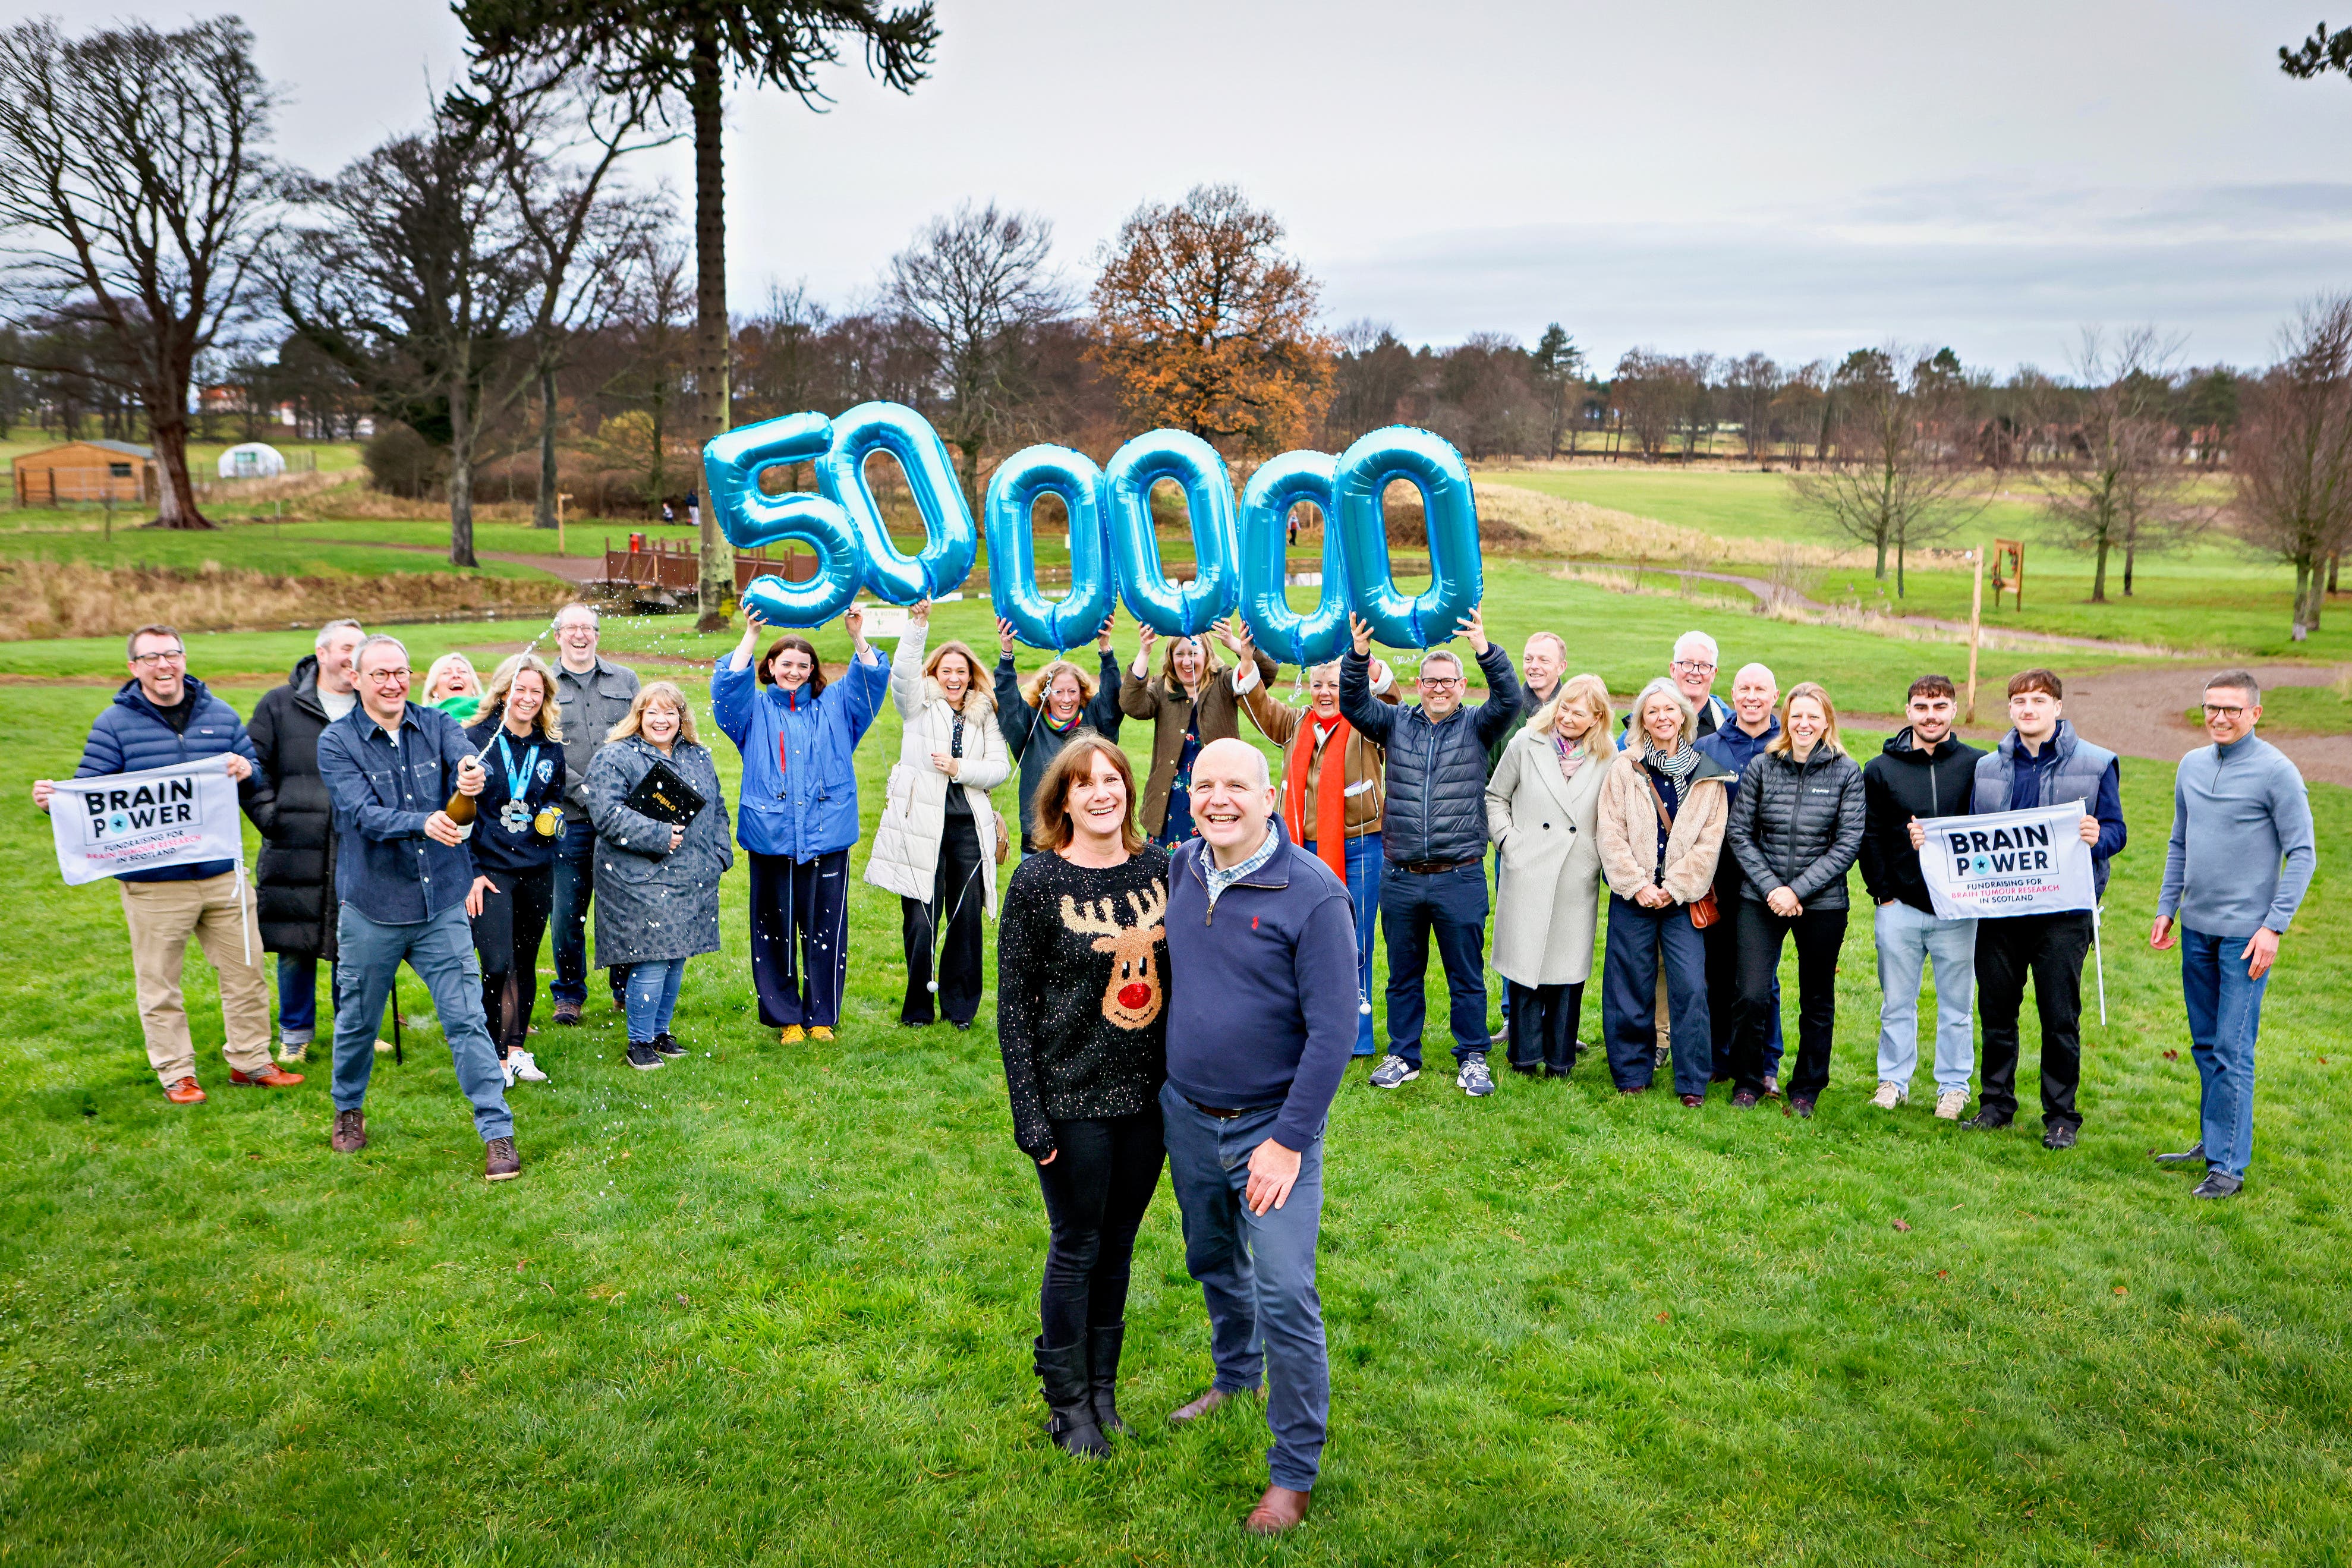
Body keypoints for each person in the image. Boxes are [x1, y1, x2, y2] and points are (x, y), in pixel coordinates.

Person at [1159, 738, 1357, 1536]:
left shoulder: (1311, 894)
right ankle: (1235, 1375)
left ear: (1269, 795)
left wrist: (1287, 1141)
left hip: (1271, 1132)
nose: (1218, 799)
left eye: (1235, 785)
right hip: (1186, 1114)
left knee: (1284, 1288)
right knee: (1211, 1257)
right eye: (1204, 785)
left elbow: (1334, 1030)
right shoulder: (1181, 867)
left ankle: (1293, 1474)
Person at [33, 624, 298, 1105]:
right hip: (154, 882)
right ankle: (177, 1073)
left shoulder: (218, 714)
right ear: (134, 668)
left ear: (184, 658)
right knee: (160, 984)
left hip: (221, 873)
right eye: (151, 658)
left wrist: (247, 770)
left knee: (247, 971)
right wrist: (55, 801)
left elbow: (254, 774)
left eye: (172, 654)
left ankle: (251, 1060)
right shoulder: (113, 724)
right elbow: (90, 792)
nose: (164, 665)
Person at [996, 735, 1171, 1458]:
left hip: (1150, 1101)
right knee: (1078, 1245)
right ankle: (1066, 1405)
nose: (1104, 793)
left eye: (1114, 780)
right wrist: (1030, 1115)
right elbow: (1013, 1006)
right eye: (1086, 783)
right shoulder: (1038, 882)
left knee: (1121, 1245)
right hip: (1072, 1097)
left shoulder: (1161, 869)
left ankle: (1103, 1391)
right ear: (1062, 799)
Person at [316, 634, 518, 1180]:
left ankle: (498, 1133)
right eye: (380, 673)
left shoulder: (437, 725)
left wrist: (472, 777)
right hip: (372, 907)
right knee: (358, 1021)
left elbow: (466, 763)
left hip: (441, 905)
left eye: (401, 672)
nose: (393, 683)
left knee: (466, 1019)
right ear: (356, 679)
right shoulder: (336, 742)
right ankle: (348, 1108)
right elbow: (360, 814)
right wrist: (420, 823)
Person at [1341, 608, 1522, 1096]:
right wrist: (1358, 657)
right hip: (1400, 875)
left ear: (1462, 686)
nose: (1438, 688)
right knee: (1402, 974)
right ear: (1418, 685)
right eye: (1430, 681)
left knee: (1465, 976)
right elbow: (1353, 704)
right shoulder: (1395, 723)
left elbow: (1510, 697)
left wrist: (1485, 648)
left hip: (1458, 874)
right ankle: (1403, 1054)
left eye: (1447, 681)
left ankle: (1472, 1057)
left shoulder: (1478, 727)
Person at [2150, 670, 2316, 1199]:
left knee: (2232, 1048)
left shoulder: (2276, 772)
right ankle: (2212, 1141)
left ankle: (2228, 1167)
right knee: (2205, 1045)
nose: (2220, 717)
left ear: (2254, 713)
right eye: (2211, 708)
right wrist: (2166, 908)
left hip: (2246, 938)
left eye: (2232, 709)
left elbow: (2303, 853)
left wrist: (2273, 927)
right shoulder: (2191, 766)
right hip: (2196, 929)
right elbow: (2179, 841)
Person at [1964, 669, 2126, 1149]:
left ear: (2057, 706)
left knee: (2058, 1017)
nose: (2027, 709)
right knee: (1995, 1012)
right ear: (2010, 709)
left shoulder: (2096, 763)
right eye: (2018, 701)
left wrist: (2100, 838)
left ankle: (2060, 1117)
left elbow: (2117, 831)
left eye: (2038, 700)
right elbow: (1973, 833)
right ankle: (1995, 1104)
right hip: (2000, 913)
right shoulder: (1988, 768)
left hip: (2063, 914)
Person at [713, 604, 887, 1044]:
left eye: (803, 665)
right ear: (770, 668)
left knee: (826, 927)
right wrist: (751, 635)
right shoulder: (751, 712)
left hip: (828, 835)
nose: (794, 671)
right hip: (771, 836)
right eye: (786, 664)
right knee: (774, 929)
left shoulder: (835, 709)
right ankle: (786, 1015)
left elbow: (870, 684)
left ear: (812, 672)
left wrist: (856, 636)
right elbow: (726, 688)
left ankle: (822, 1016)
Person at [1229, 626, 1400, 1059]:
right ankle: (1299, 1028)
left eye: (1336, 684)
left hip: (1358, 848)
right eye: (1318, 684)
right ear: (1307, 688)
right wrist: (1247, 660)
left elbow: (1393, 700)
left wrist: (1366, 658)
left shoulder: (1367, 720)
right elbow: (1257, 705)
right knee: (1294, 940)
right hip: (1299, 853)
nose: (1326, 693)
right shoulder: (1296, 722)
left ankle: (1354, 1036)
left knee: (1353, 941)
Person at [865, 604, 1010, 1029]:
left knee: (965, 921)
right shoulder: (917, 705)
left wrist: (960, 769)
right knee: (920, 921)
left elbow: (999, 768)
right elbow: (903, 670)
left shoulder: (984, 714)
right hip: (920, 828)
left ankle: (960, 1010)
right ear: (934, 673)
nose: (953, 678)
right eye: (946, 670)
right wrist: (917, 625)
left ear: (971, 676)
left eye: (961, 672)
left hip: (969, 830)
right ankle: (916, 1010)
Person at [1724, 682, 1865, 1117]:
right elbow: (1739, 833)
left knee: (1816, 998)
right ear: (1785, 719)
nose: (1804, 724)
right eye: (1796, 715)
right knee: (1749, 994)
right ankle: (1748, 1081)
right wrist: (1772, 888)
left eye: (1813, 716)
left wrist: (1796, 890)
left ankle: (1806, 1087)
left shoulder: (1846, 772)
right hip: (1759, 898)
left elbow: (1847, 843)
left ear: (1826, 721)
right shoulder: (1763, 767)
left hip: (1821, 904)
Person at [1594, 679, 1732, 1100]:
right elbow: (1609, 831)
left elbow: (1710, 840)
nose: (1661, 718)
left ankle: (1691, 1081)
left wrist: (1673, 887)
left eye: (1669, 710)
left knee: (1690, 986)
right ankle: (1632, 1073)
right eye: (1652, 711)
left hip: (1680, 901)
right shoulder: (1624, 767)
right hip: (1632, 897)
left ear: (1683, 717)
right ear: (1641, 720)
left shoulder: (1706, 773)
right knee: (1629, 985)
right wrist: (1637, 885)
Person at [585, 682, 733, 1071]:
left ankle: (660, 1032)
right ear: (639, 716)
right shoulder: (615, 756)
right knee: (652, 957)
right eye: (652, 712)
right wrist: (658, 835)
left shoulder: (698, 756)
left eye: (670, 713)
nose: (662, 720)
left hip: (691, 875)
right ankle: (639, 1042)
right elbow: (606, 814)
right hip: (636, 876)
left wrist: (720, 854)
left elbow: (717, 807)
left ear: (682, 717)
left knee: (675, 957)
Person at [1862, 673, 1985, 1119]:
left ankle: (1953, 1087)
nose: (1929, 716)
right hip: (1899, 906)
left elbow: (1990, 829)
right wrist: (1883, 894)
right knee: (1897, 1001)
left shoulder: (1979, 764)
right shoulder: (1880, 768)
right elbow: (1869, 834)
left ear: (1953, 710)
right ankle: (1893, 1080)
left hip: (1958, 908)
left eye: (1938, 707)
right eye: (1920, 708)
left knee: (1957, 1004)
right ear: (1908, 712)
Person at [248, 618, 365, 1063]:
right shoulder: (278, 705)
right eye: (347, 647)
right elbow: (250, 766)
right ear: (322, 653)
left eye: (361, 647)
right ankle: (295, 1033)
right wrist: (271, 818)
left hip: (358, 842)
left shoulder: (371, 705)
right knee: (294, 942)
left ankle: (353, 1027)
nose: (354, 656)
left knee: (354, 940)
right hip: (295, 842)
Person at [1485, 673, 1613, 1076]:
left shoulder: (1608, 756)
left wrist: (1594, 856)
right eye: (1564, 708)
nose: (1568, 718)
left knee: (1566, 969)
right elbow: (1495, 796)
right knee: (1525, 964)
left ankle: (1560, 1059)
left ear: (1596, 718)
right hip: (1528, 867)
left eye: (1579, 712)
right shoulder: (1526, 742)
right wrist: (1509, 842)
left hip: (1576, 873)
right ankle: (1522, 1056)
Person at [462, 654, 567, 1088]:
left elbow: (557, 796)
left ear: (545, 700)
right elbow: (457, 811)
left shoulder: (549, 746)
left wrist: (553, 818)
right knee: (496, 964)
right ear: (504, 691)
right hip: (489, 871)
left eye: (536, 692)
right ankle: (493, 1054)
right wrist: (468, 870)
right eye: (519, 689)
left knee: (524, 961)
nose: (527, 698)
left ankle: (518, 1049)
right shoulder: (476, 740)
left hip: (536, 868)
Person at [1692, 662, 1787, 1096]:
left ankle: (1765, 1062)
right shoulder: (1709, 745)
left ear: (1775, 696)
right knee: (1717, 968)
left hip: (1769, 880)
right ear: (1733, 694)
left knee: (1760, 977)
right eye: (1744, 689)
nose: (1751, 697)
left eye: (1760, 690)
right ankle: (1718, 1058)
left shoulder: (1787, 745)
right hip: (1718, 875)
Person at [547, 603, 640, 1027]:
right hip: (569, 819)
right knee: (568, 911)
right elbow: (543, 750)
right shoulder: (542, 683)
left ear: (597, 635)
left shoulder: (625, 680)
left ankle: (625, 990)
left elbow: (640, 740)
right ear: (558, 635)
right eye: (571, 628)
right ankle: (568, 994)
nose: (580, 635)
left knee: (620, 906)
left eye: (588, 628)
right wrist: (588, 792)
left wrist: (615, 798)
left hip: (620, 818)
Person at [1119, 621, 1270, 847]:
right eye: (1180, 654)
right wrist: (1145, 651)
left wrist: (1234, 644)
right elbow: (1132, 704)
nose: (1187, 661)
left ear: (1207, 654)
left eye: (1194, 653)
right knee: (1171, 872)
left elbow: (1265, 675)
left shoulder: (1224, 680)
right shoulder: (1163, 687)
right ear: (1171, 658)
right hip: (1171, 800)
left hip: (1217, 794)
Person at [994, 613, 1124, 855]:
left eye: (1072, 691)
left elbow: (1112, 702)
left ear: (1082, 692)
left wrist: (1106, 651)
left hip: (1086, 836)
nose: (1066, 699)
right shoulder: (1029, 725)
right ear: (1046, 694)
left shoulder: (1095, 722)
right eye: (1059, 692)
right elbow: (1009, 703)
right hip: (1038, 838)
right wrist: (1007, 654)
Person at [1617, 630, 1732, 748]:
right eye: (1687, 663)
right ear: (1673, 669)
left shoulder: (1729, 726)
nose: (1695, 672)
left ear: (1713, 674)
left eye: (1704, 666)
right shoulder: (1644, 724)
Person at [1487, 629, 1567, 774]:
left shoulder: (1575, 713)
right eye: (1528, 659)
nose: (1534, 666)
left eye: (1544, 660)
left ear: (1561, 667)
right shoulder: (1503, 711)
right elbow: (1485, 773)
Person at [421, 653, 483, 725]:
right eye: (446, 673)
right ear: (434, 690)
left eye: (463, 671)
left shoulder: (491, 714)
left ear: (473, 688)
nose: (456, 675)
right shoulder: (424, 722)